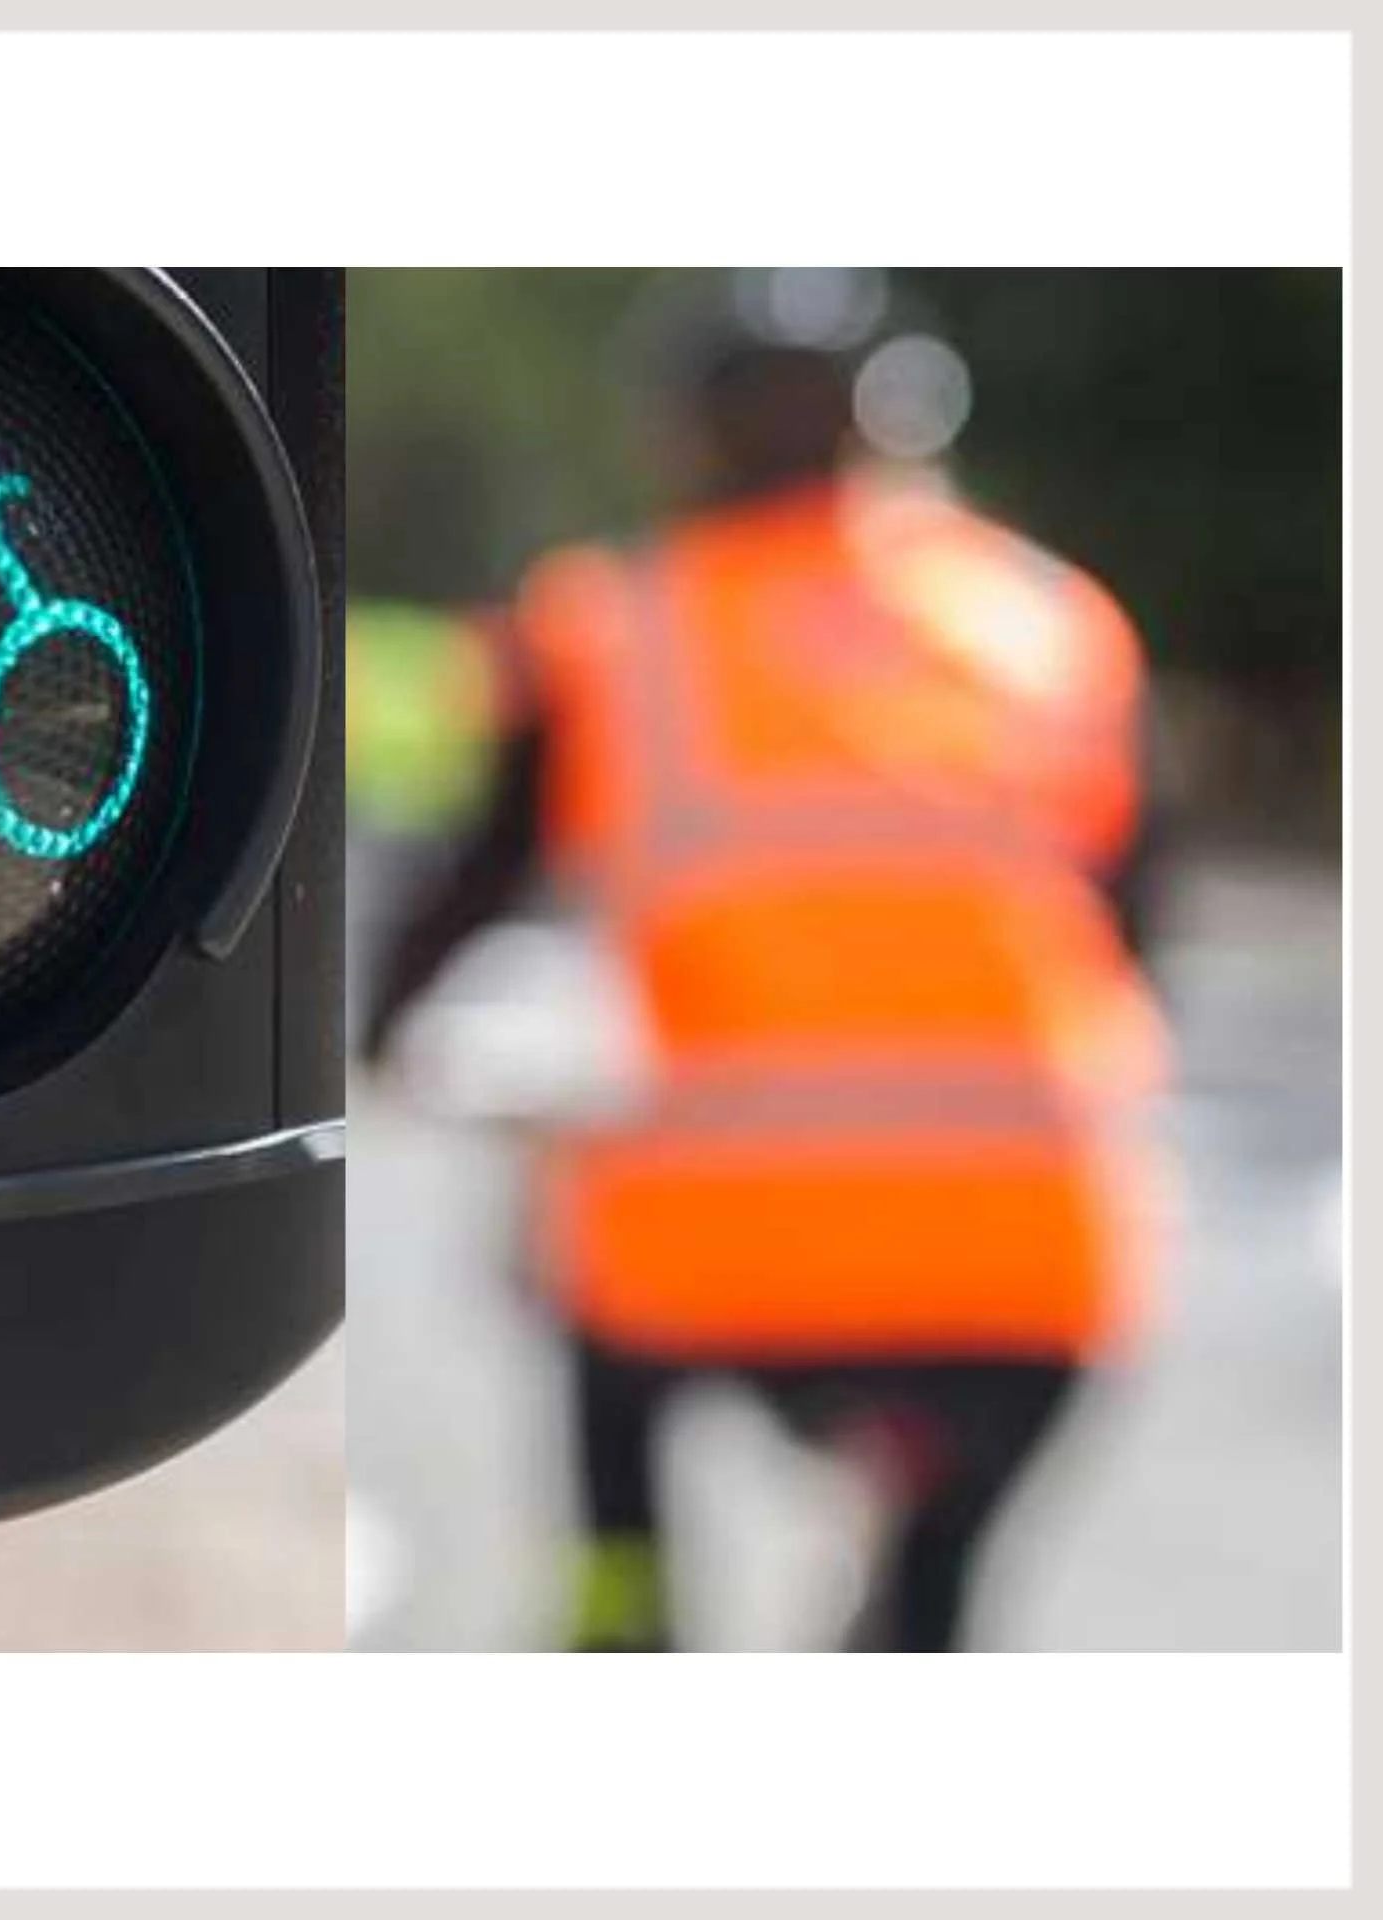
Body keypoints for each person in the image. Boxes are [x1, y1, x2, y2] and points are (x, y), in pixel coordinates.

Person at [360, 270, 1172, 1652]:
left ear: (687, 433)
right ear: (902, 428)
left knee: (587, 1276)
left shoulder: (613, 625)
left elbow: (469, 885)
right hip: (1040, 1263)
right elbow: (1135, 925)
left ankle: (625, 1608)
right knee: (936, 1579)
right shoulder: (1056, 625)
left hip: (716, 1254)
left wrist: (373, 1035)